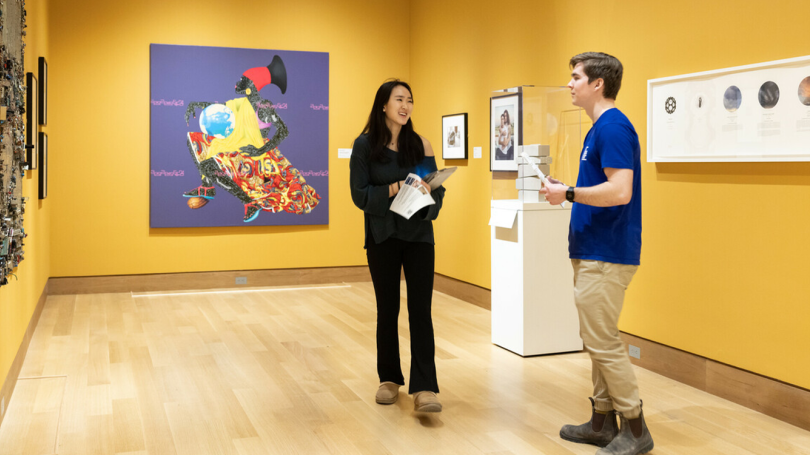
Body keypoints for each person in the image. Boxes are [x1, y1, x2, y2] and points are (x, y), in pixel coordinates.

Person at [541, 52, 653, 455]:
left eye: (575, 77)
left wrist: (568, 193)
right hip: (594, 250)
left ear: (597, 83)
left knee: (601, 340)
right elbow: (603, 187)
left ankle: (636, 427)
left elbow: (621, 191)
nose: (570, 84)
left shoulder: (613, 128)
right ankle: (602, 422)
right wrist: (566, 188)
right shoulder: (598, 129)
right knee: (597, 338)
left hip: (606, 253)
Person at [349, 79, 446, 413]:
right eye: (399, 99)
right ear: (384, 106)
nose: (405, 106)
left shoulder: (422, 144)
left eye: (410, 100)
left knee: (421, 311)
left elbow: (438, 195)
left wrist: (426, 194)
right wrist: (394, 188)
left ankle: (425, 388)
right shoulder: (364, 146)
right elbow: (359, 194)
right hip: (383, 236)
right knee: (387, 309)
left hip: (418, 235)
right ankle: (389, 379)